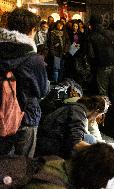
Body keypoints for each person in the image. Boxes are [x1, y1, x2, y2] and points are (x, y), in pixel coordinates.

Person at [0, 8, 49, 158]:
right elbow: (42, 91)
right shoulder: (33, 59)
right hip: (25, 116)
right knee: (22, 166)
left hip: (1, 114)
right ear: (32, 30)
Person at [22, 143, 114, 189]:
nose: (103, 185)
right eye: (104, 178)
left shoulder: (57, 161)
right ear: (92, 172)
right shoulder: (52, 185)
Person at [36, 96, 110, 159]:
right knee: (91, 142)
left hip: (47, 138)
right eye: (99, 115)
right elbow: (76, 143)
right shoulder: (78, 112)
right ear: (96, 111)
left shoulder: (77, 107)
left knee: (90, 139)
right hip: (49, 144)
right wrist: (101, 151)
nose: (97, 118)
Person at [87, 14, 114, 103]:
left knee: (103, 93)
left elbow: (91, 55)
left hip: (102, 67)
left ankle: (105, 113)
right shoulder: (111, 32)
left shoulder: (91, 36)